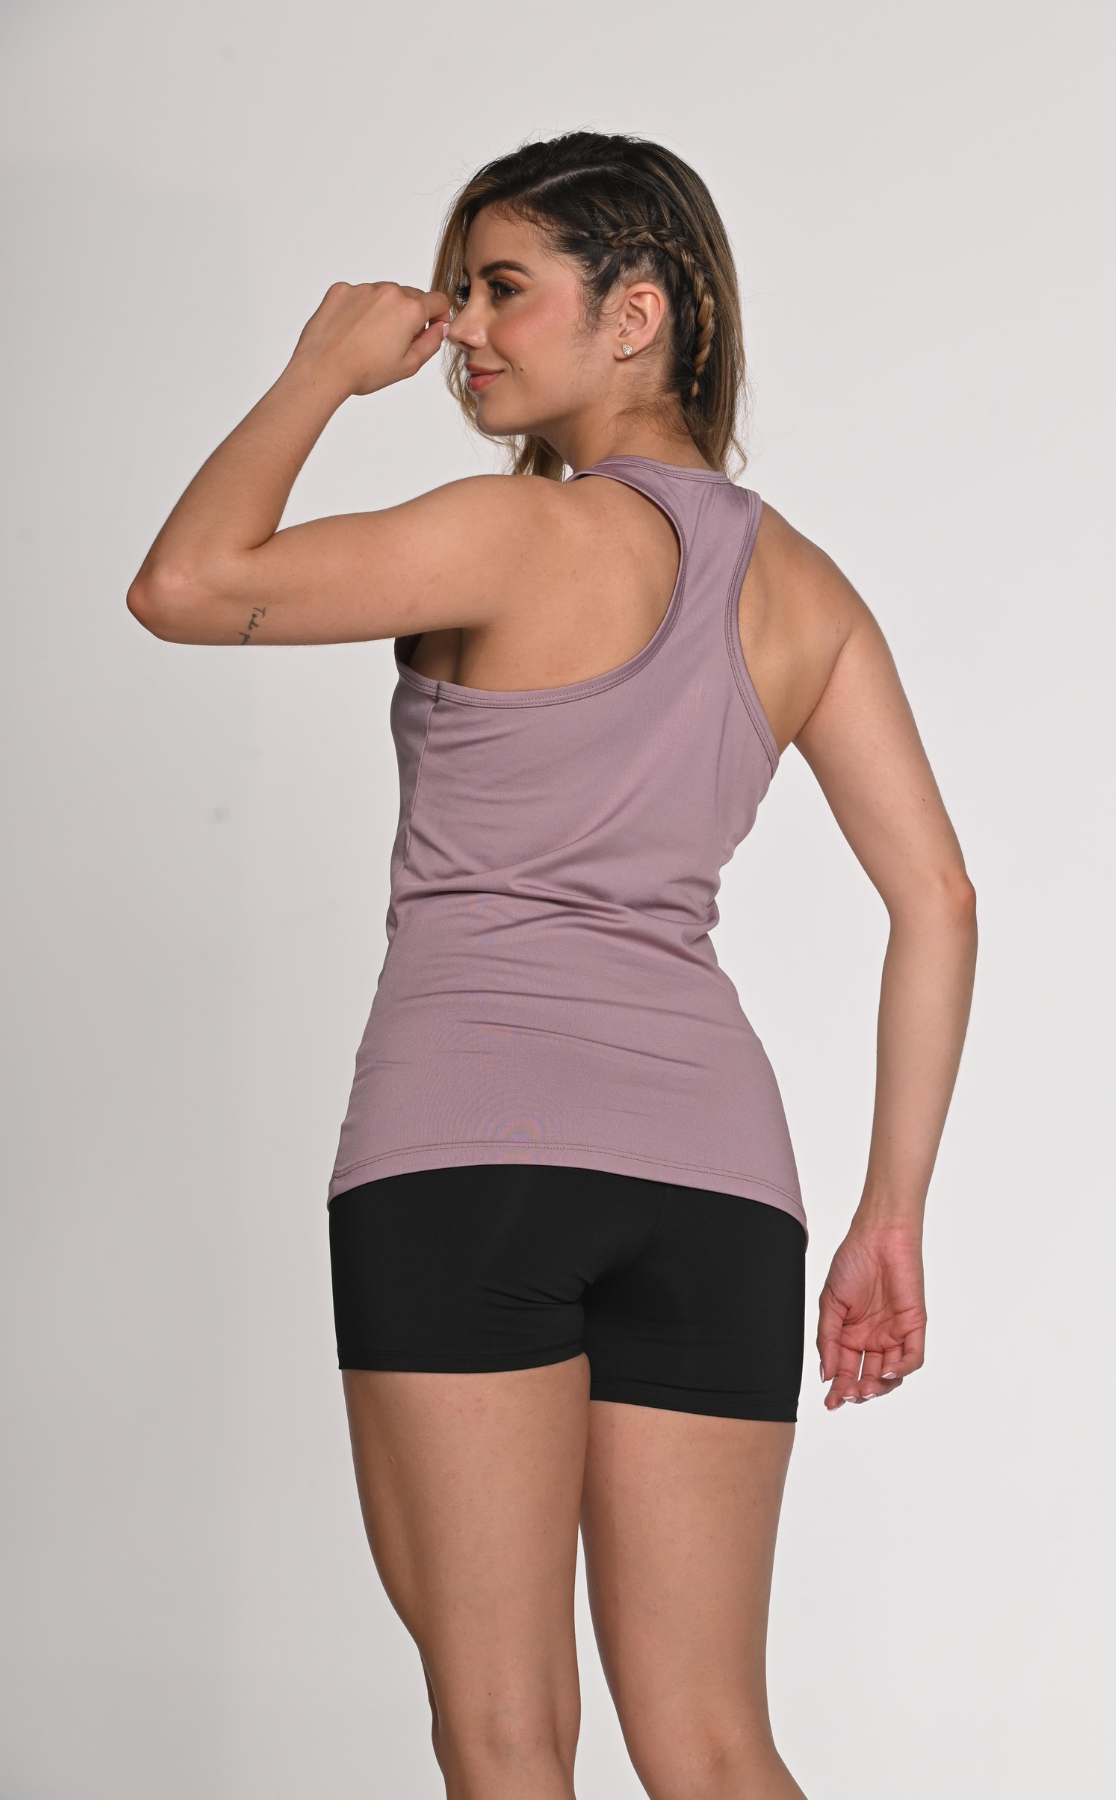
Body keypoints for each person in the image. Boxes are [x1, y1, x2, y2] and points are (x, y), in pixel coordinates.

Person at [128, 132, 976, 1800]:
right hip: (720, 1189)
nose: (462, 329)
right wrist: (891, 1214)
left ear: (636, 312)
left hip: (471, 1160)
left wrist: (319, 371)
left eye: (503, 289)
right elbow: (937, 898)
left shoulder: (515, 534)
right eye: (460, 291)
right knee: (718, 1747)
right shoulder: (806, 591)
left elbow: (185, 584)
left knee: (507, 1733)